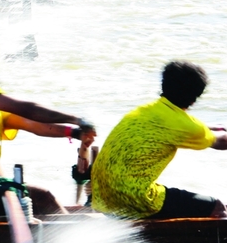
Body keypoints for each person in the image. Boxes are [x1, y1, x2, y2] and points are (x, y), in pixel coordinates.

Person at [0, 46, 96, 216]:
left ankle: (59, 229)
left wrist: (75, 133)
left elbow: (33, 124)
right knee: (43, 197)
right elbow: (28, 109)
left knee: (41, 202)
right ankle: (68, 236)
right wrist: (77, 119)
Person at [93, 61, 227, 219]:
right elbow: (222, 142)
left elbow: (177, 125)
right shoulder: (186, 126)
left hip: (103, 194)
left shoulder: (143, 112)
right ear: (194, 99)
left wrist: (207, 128)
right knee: (217, 208)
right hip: (135, 196)